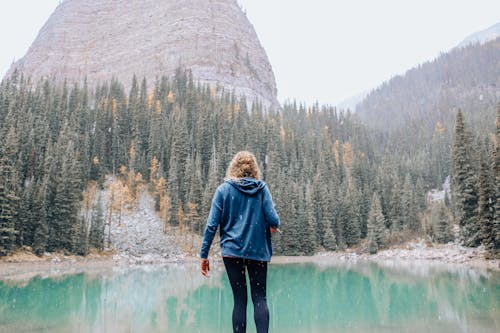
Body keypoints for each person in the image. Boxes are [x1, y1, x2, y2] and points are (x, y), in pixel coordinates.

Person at [200, 151, 280, 333]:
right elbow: (274, 220)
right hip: (257, 252)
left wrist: (203, 255)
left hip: (232, 252)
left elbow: (211, 225)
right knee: (259, 298)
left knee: (239, 300)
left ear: (234, 168)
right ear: (254, 170)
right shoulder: (262, 189)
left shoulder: (223, 190)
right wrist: (270, 226)